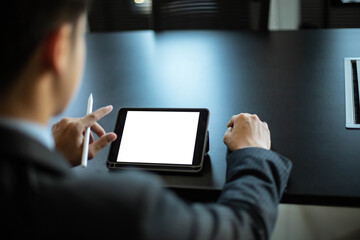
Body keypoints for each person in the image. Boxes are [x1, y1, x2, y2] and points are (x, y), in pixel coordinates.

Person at [0, 1, 292, 239]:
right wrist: (251, 153)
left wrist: (51, 158)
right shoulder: (120, 208)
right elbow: (244, 228)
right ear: (59, 49)